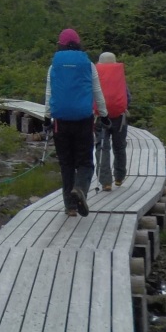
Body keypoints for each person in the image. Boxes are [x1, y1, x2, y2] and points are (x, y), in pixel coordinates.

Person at [41, 28, 109, 217]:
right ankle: (80, 188)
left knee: (66, 164)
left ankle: (70, 207)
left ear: (60, 45)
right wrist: (104, 115)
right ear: (78, 44)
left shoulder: (53, 66)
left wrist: (47, 118)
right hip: (83, 120)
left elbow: (49, 94)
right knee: (85, 162)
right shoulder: (88, 65)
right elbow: (97, 93)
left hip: (60, 121)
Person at [93, 52, 131, 191]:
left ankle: (106, 182)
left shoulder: (96, 75)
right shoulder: (119, 76)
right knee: (119, 147)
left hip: (100, 117)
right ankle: (119, 177)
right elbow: (128, 97)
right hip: (119, 117)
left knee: (103, 147)